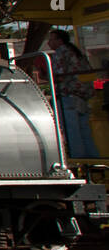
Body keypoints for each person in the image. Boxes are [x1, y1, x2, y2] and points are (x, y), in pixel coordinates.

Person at [47, 29, 99, 159]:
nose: (49, 42)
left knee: (72, 131)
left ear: (60, 40)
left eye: (52, 39)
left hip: (68, 94)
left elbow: (59, 76)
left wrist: (45, 75)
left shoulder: (60, 53)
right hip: (82, 95)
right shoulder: (76, 52)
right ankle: (93, 160)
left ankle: (79, 160)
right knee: (85, 131)